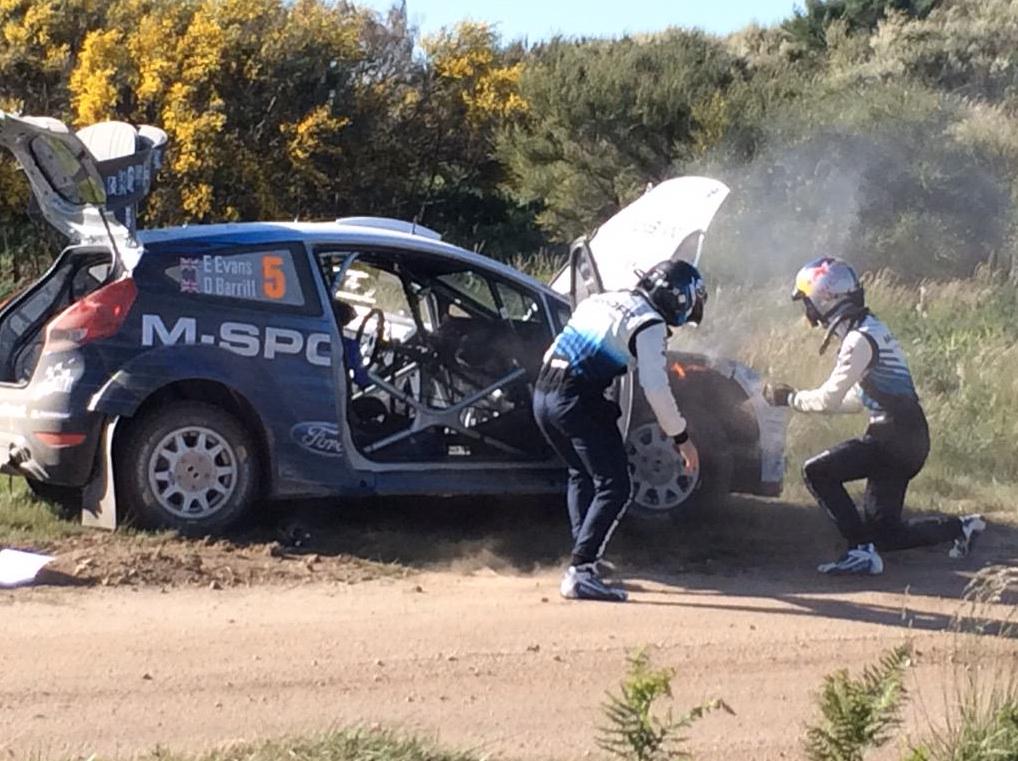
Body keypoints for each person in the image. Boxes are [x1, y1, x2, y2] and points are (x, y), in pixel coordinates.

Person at [764, 256, 985, 575]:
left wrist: (789, 398)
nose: (808, 312)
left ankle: (859, 551)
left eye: (808, 303)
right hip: (908, 435)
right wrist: (798, 400)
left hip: (892, 437)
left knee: (816, 472)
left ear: (825, 299)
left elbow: (829, 398)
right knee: (885, 532)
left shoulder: (858, 340)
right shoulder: (871, 330)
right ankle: (961, 528)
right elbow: (857, 399)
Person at [533, 259, 705, 601]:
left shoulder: (600, 300)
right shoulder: (649, 323)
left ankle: (585, 556)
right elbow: (656, 389)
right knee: (617, 486)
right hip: (577, 401)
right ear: (679, 298)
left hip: (542, 395)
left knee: (581, 474)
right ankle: (581, 572)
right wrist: (682, 438)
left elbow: (552, 352)